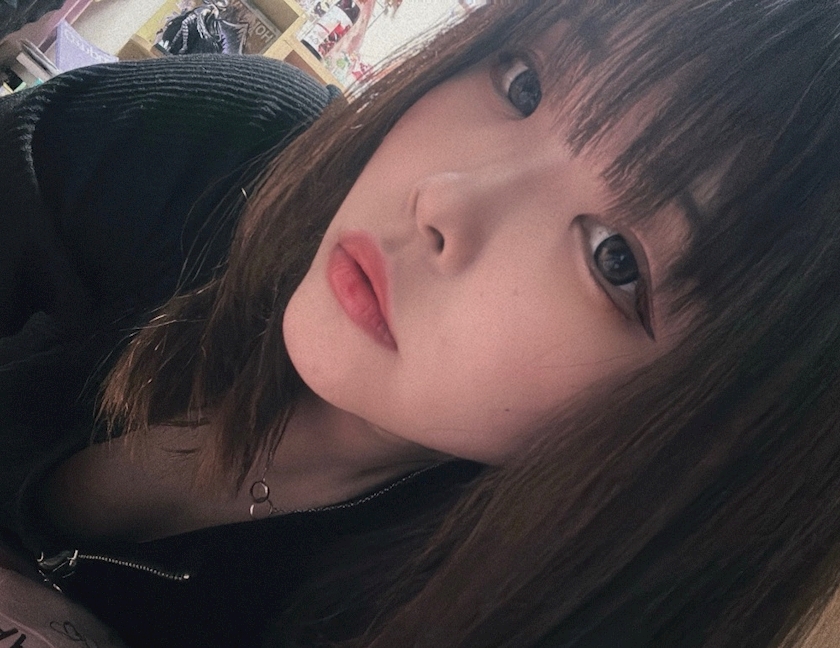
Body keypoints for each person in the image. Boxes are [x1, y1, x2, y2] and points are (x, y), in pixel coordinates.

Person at [3, 1, 840, 647]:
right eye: (524, 84)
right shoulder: (220, 149)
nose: (446, 197)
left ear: (703, 434)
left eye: (613, 257)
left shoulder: (455, 614)